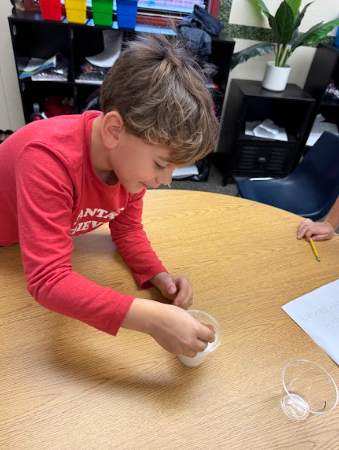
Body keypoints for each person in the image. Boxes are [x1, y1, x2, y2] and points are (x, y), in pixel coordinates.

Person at [0, 33, 218, 358]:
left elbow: (127, 229)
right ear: (115, 131)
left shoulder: (128, 170)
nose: (167, 180)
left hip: (22, 244)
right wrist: (153, 320)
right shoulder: (46, 159)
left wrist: (158, 275)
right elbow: (48, 279)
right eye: (161, 164)